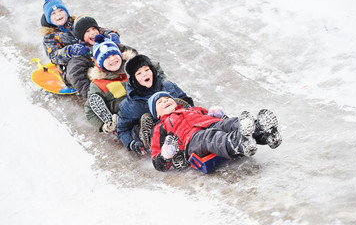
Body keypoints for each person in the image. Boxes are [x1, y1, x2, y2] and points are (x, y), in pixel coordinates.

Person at [147, 92, 282, 172]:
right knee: (210, 137)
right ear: (157, 114)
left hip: (211, 123)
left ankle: (264, 132)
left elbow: (211, 116)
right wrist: (165, 155)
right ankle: (239, 143)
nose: (165, 101)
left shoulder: (192, 109)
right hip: (192, 140)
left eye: (167, 99)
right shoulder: (160, 127)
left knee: (231, 123)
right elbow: (157, 161)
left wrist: (216, 114)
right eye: (160, 102)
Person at [116, 54, 194, 155]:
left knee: (180, 107)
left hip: (178, 121)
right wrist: (131, 143)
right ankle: (163, 147)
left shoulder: (168, 86)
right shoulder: (130, 105)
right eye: (139, 73)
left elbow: (184, 97)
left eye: (147, 70)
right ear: (133, 80)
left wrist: (188, 105)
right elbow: (122, 129)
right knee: (143, 125)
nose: (145, 74)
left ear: (152, 71)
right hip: (158, 132)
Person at [84, 34, 137, 134]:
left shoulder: (133, 66)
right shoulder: (98, 84)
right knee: (127, 114)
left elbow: (154, 67)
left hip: (143, 103)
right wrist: (102, 126)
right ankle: (113, 123)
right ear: (100, 64)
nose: (112, 59)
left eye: (114, 54)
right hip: (123, 113)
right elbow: (89, 110)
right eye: (106, 57)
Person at [66, 14, 121, 98]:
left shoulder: (105, 43)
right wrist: (91, 95)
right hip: (94, 81)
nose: (93, 33)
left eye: (94, 29)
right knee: (91, 72)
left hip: (111, 73)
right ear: (81, 36)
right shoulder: (81, 53)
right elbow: (76, 75)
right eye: (87, 31)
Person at [40, 0, 88, 84]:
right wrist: (69, 51)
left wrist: (109, 34)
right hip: (70, 68)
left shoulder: (76, 23)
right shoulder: (49, 37)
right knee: (79, 73)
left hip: (89, 57)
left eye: (61, 11)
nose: (58, 15)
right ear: (48, 18)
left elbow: (94, 30)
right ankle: (89, 91)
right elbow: (54, 56)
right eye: (53, 13)